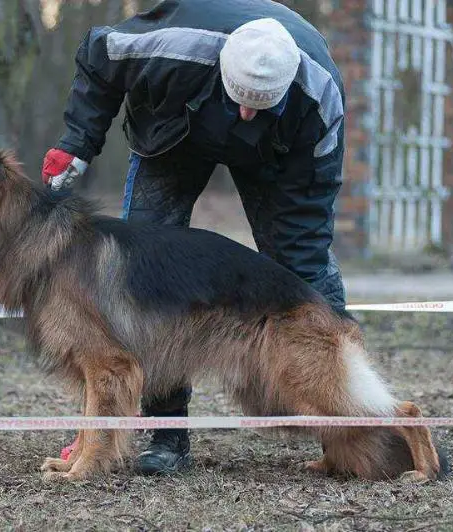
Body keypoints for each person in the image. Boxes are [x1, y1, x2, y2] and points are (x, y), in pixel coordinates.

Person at [42, 0, 348, 476]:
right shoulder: (171, 46)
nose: (246, 113)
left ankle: (350, 429)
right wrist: (77, 143)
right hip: (173, 129)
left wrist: (311, 299)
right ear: (224, 68)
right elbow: (98, 57)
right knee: (146, 279)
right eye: (240, 98)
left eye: (260, 103)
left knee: (305, 271)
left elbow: (309, 219)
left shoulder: (318, 97)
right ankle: (164, 440)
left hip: (279, 153)